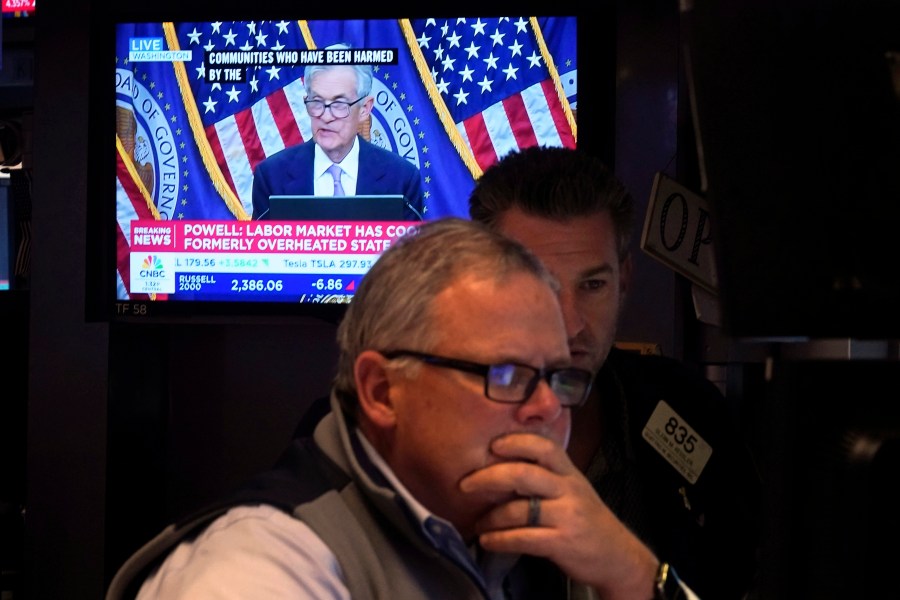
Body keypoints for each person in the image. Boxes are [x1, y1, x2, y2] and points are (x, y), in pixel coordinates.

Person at [123, 218, 697, 599]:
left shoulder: (505, 539)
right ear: (380, 390)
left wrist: (635, 573)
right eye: (507, 375)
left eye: (559, 377)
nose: (548, 409)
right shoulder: (261, 566)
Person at [468, 145, 762, 600]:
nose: (571, 324)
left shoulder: (686, 406)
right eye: (540, 285)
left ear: (624, 282)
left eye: (593, 285)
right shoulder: (418, 424)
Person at [251, 43, 424, 221]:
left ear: (365, 108)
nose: (326, 116)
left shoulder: (401, 179)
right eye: (317, 102)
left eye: (339, 104)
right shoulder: (272, 177)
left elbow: (411, 249)